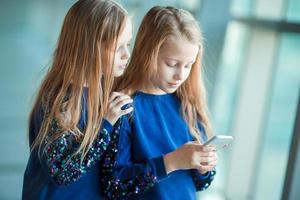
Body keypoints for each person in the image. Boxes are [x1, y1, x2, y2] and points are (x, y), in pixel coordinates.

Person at [100, 6, 217, 200]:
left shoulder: (187, 104)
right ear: (148, 53)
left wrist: (204, 167)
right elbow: (114, 185)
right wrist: (171, 162)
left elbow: (200, 183)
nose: (180, 75)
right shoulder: (123, 107)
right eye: (171, 64)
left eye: (188, 65)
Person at [22, 0, 133, 199]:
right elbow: (62, 173)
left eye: (128, 44)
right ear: (89, 48)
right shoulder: (58, 101)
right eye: (118, 48)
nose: (127, 55)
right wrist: (105, 125)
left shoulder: (106, 92)